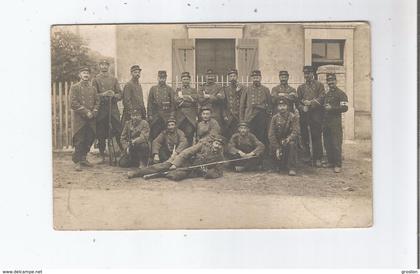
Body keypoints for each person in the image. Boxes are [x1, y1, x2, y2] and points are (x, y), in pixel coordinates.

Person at [127, 134, 226, 181]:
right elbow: (186, 152)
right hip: (185, 161)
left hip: (192, 170)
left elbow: (218, 172)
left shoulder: (220, 157)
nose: (217, 146)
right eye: (216, 143)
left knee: (175, 176)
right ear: (213, 142)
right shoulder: (203, 145)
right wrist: (175, 164)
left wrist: (206, 172)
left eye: (220, 145)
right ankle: (136, 173)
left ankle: (161, 174)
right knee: (162, 166)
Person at [92, 59, 123, 163]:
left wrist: (114, 95)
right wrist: (104, 94)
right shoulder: (95, 79)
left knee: (119, 130)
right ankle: (102, 155)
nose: (104, 67)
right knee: (100, 132)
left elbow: (120, 94)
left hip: (113, 109)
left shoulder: (114, 79)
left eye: (106, 65)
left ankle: (123, 153)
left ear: (108, 67)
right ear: (99, 66)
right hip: (101, 110)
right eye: (102, 65)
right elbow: (93, 95)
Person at [70, 66, 100, 171]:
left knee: (89, 139)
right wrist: (86, 111)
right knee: (80, 140)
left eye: (87, 73)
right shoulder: (75, 87)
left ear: (90, 75)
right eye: (83, 73)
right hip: (80, 119)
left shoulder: (93, 89)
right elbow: (73, 103)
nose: (86, 75)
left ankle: (83, 158)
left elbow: (97, 102)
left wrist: (94, 111)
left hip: (91, 118)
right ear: (80, 75)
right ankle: (77, 161)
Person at [297, 65, 325, 167]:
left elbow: (322, 98)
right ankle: (307, 157)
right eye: (305, 73)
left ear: (313, 74)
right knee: (304, 136)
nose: (307, 75)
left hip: (316, 114)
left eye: (308, 73)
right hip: (304, 115)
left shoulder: (319, 85)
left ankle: (318, 158)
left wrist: (311, 103)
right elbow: (298, 101)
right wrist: (302, 107)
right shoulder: (301, 88)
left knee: (316, 136)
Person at [322, 73, 349, 173]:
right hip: (326, 122)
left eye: (332, 80)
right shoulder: (327, 94)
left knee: (336, 143)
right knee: (327, 143)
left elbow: (345, 108)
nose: (331, 82)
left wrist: (332, 108)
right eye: (329, 81)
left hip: (335, 122)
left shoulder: (341, 94)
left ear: (336, 81)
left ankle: (338, 164)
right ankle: (330, 162)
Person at [239, 70, 272, 144]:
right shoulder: (247, 89)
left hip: (261, 116)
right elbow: (242, 105)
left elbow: (269, 104)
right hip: (250, 116)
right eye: (254, 78)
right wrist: (242, 119)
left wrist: (267, 113)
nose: (256, 79)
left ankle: (261, 152)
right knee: (250, 134)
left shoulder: (265, 89)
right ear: (251, 79)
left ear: (260, 78)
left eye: (257, 77)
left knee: (261, 134)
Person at [268, 99, 299, 176]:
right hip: (278, 140)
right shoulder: (274, 118)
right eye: (280, 106)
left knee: (292, 144)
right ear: (278, 107)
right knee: (272, 147)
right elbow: (271, 134)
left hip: (288, 139)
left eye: (284, 106)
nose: (282, 108)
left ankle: (292, 167)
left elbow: (295, 131)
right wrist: (277, 147)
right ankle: (277, 165)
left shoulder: (293, 117)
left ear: (287, 107)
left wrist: (288, 139)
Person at [147, 70, 176, 140]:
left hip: (166, 116)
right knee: (155, 134)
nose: (162, 79)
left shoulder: (170, 89)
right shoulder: (153, 89)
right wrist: (150, 115)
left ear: (166, 78)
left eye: (163, 78)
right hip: (155, 116)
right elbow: (149, 103)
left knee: (166, 135)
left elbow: (173, 104)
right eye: (160, 78)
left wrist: (172, 115)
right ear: (158, 78)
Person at [175, 71, 198, 145]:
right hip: (180, 116)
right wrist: (189, 98)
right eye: (184, 79)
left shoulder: (194, 90)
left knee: (190, 134)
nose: (185, 81)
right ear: (181, 80)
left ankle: (189, 153)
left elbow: (195, 99)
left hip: (190, 117)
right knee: (181, 135)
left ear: (190, 80)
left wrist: (183, 98)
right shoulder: (178, 90)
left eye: (187, 79)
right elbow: (176, 101)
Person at [223, 68, 245, 140]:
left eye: (234, 76)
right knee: (227, 134)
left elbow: (244, 101)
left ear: (237, 77)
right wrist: (224, 115)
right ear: (229, 78)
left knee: (238, 134)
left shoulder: (243, 88)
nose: (233, 78)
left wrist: (238, 91)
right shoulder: (225, 89)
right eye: (231, 76)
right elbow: (223, 103)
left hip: (238, 115)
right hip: (228, 115)